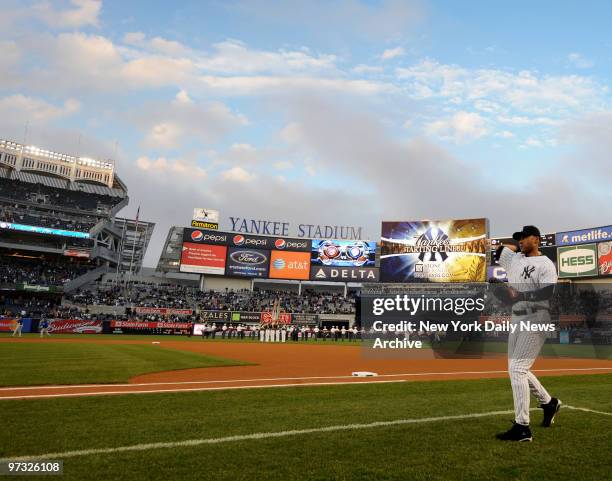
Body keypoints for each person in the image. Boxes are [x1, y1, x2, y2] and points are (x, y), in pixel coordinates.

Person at [494, 225, 561, 442]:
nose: (521, 241)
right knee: (516, 368)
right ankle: (549, 403)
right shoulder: (513, 259)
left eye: (524, 238)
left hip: (537, 316)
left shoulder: (545, 264)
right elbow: (498, 251)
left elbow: (548, 290)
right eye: (518, 239)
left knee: (517, 368)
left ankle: (523, 428)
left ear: (536, 239)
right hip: (517, 317)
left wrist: (519, 296)